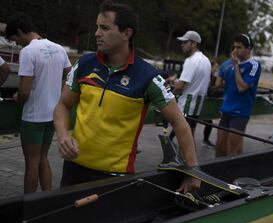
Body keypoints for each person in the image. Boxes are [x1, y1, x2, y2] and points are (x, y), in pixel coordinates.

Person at [53, 0, 200, 193]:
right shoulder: (85, 64)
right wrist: (63, 135)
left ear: (126, 33)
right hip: (73, 169)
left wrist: (193, 171)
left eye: (104, 28)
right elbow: (63, 105)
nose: (97, 33)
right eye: (97, 27)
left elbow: (179, 123)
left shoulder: (148, 76)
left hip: (115, 178)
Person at [6, 14, 72, 193]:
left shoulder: (28, 52)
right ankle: (46, 199)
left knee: (32, 163)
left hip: (33, 117)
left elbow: (25, 91)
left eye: (14, 39)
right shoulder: (58, 48)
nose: (16, 44)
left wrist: (17, 98)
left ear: (20, 32)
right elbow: (71, 75)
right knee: (43, 157)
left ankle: (28, 207)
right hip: (53, 114)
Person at [214, 34, 261, 156]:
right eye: (234, 47)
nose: (235, 51)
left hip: (240, 112)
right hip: (226, 110)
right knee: (219, 147)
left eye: (239, 47)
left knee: (232, 150)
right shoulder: (229, 64)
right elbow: (220, 84)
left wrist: (235, 65)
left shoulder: (254, 65)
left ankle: (230, 174)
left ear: (248, 49)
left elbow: (242, 87)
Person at [167, 30, 211, 142]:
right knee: (188, 138)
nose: (182, 44)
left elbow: (180, 87)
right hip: (196, 106)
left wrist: (167, 98)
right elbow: (195, 82)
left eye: (185, 42)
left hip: (186, 105)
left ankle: (187, 159)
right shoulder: (206, 60)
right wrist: (176, 82)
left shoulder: (191, 60)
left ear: (194, 44)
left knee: (185, 141)